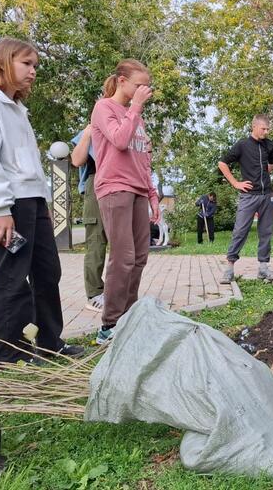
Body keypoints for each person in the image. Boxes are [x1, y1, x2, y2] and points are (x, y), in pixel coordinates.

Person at [0, 38, 83, 362]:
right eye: (26, 64)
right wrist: (0, 210)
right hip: (10, 206)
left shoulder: (18, 108)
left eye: (35, 66)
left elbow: (28, 161)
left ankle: (49, 343)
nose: (33, 71)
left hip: (34, 201)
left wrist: (43, 199)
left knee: (48, 272)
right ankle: (6, 354)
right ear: (4, 62)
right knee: (10, 279)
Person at [91, 59, 160, 345]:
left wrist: (153, 195)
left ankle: (128, 319)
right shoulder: (104, 108)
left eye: (146, 86)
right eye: (138, 85)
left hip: (138, 190)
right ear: (121, 81)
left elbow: (143, 158)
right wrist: (135, 108)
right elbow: (119, 141)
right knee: (123, 257)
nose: (144, 90)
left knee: (140, 257)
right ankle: (109, 325)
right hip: (114, 187)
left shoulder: (137, 117)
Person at [218, 115, 273, 283]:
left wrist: (263, 173)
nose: (266, 132)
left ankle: (263, 268)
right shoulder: (242, 145)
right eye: (263, 129)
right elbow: (222, 163)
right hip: (248, 196)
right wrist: (236, 183)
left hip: (266, 195)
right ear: (254, 127)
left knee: (266, 232)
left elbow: (271, 166)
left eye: (268, 129)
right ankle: (229, 268)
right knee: (240, 230)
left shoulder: (269, 145)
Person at [71, 124, 107, 312]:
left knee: (123, 242)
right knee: (96, 240)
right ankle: (94, 294)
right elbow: (77, 160)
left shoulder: (126, 124)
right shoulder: (92, 128)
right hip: (97, 182)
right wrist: (87, 133)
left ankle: (118, 292)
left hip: (122, 182)